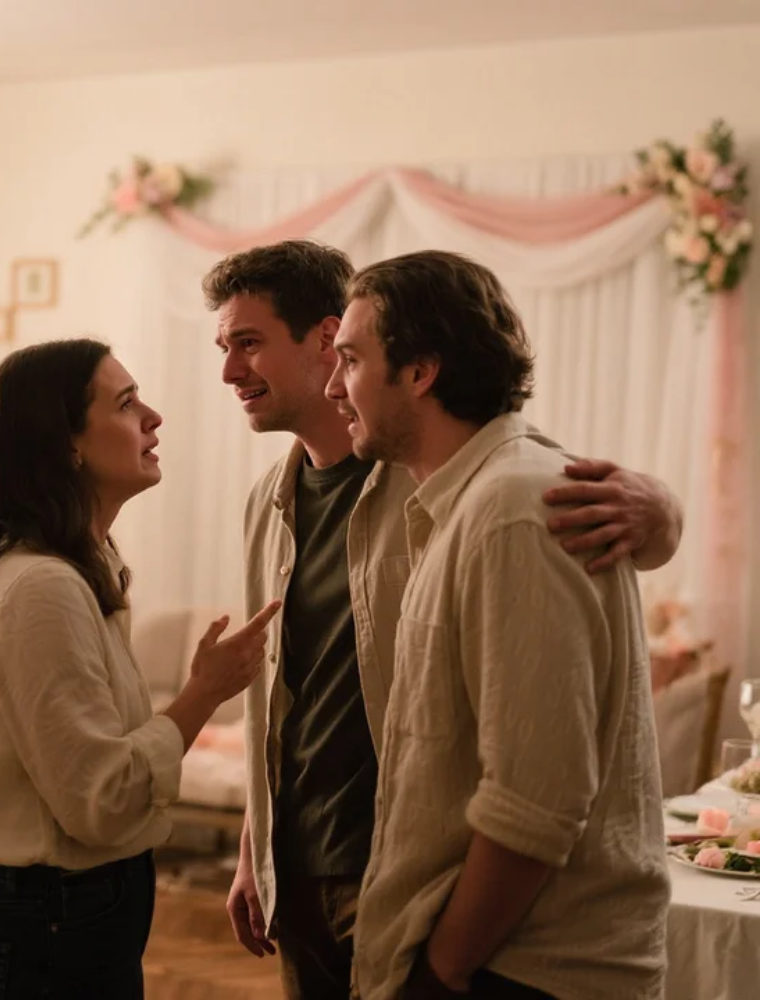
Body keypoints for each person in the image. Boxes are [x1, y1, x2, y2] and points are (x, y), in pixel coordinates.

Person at [201, 241, 681, 999]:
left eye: (248, 343)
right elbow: (281, 698)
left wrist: (663, 510)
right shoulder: (270, 502)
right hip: (299, 871)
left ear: (327, 341)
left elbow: (537, 789)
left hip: (426, 883)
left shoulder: (456, 478)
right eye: (224, 348)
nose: (230, 371)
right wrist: (253, 851)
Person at [328, 251, 668, 999]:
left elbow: (536, 798)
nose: (332, 386)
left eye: (350, 360)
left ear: (420, 372)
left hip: (523, 971)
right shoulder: (475, 499)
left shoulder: (512, 508)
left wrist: (441, 972)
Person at [0, 339, 280, 999]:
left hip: (67, 916)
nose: (153, 417)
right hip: (47, 928)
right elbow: (102, 800)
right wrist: (204, 692)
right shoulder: (39, 588)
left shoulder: (78, 567)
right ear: (67, 445)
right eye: (125, 403)